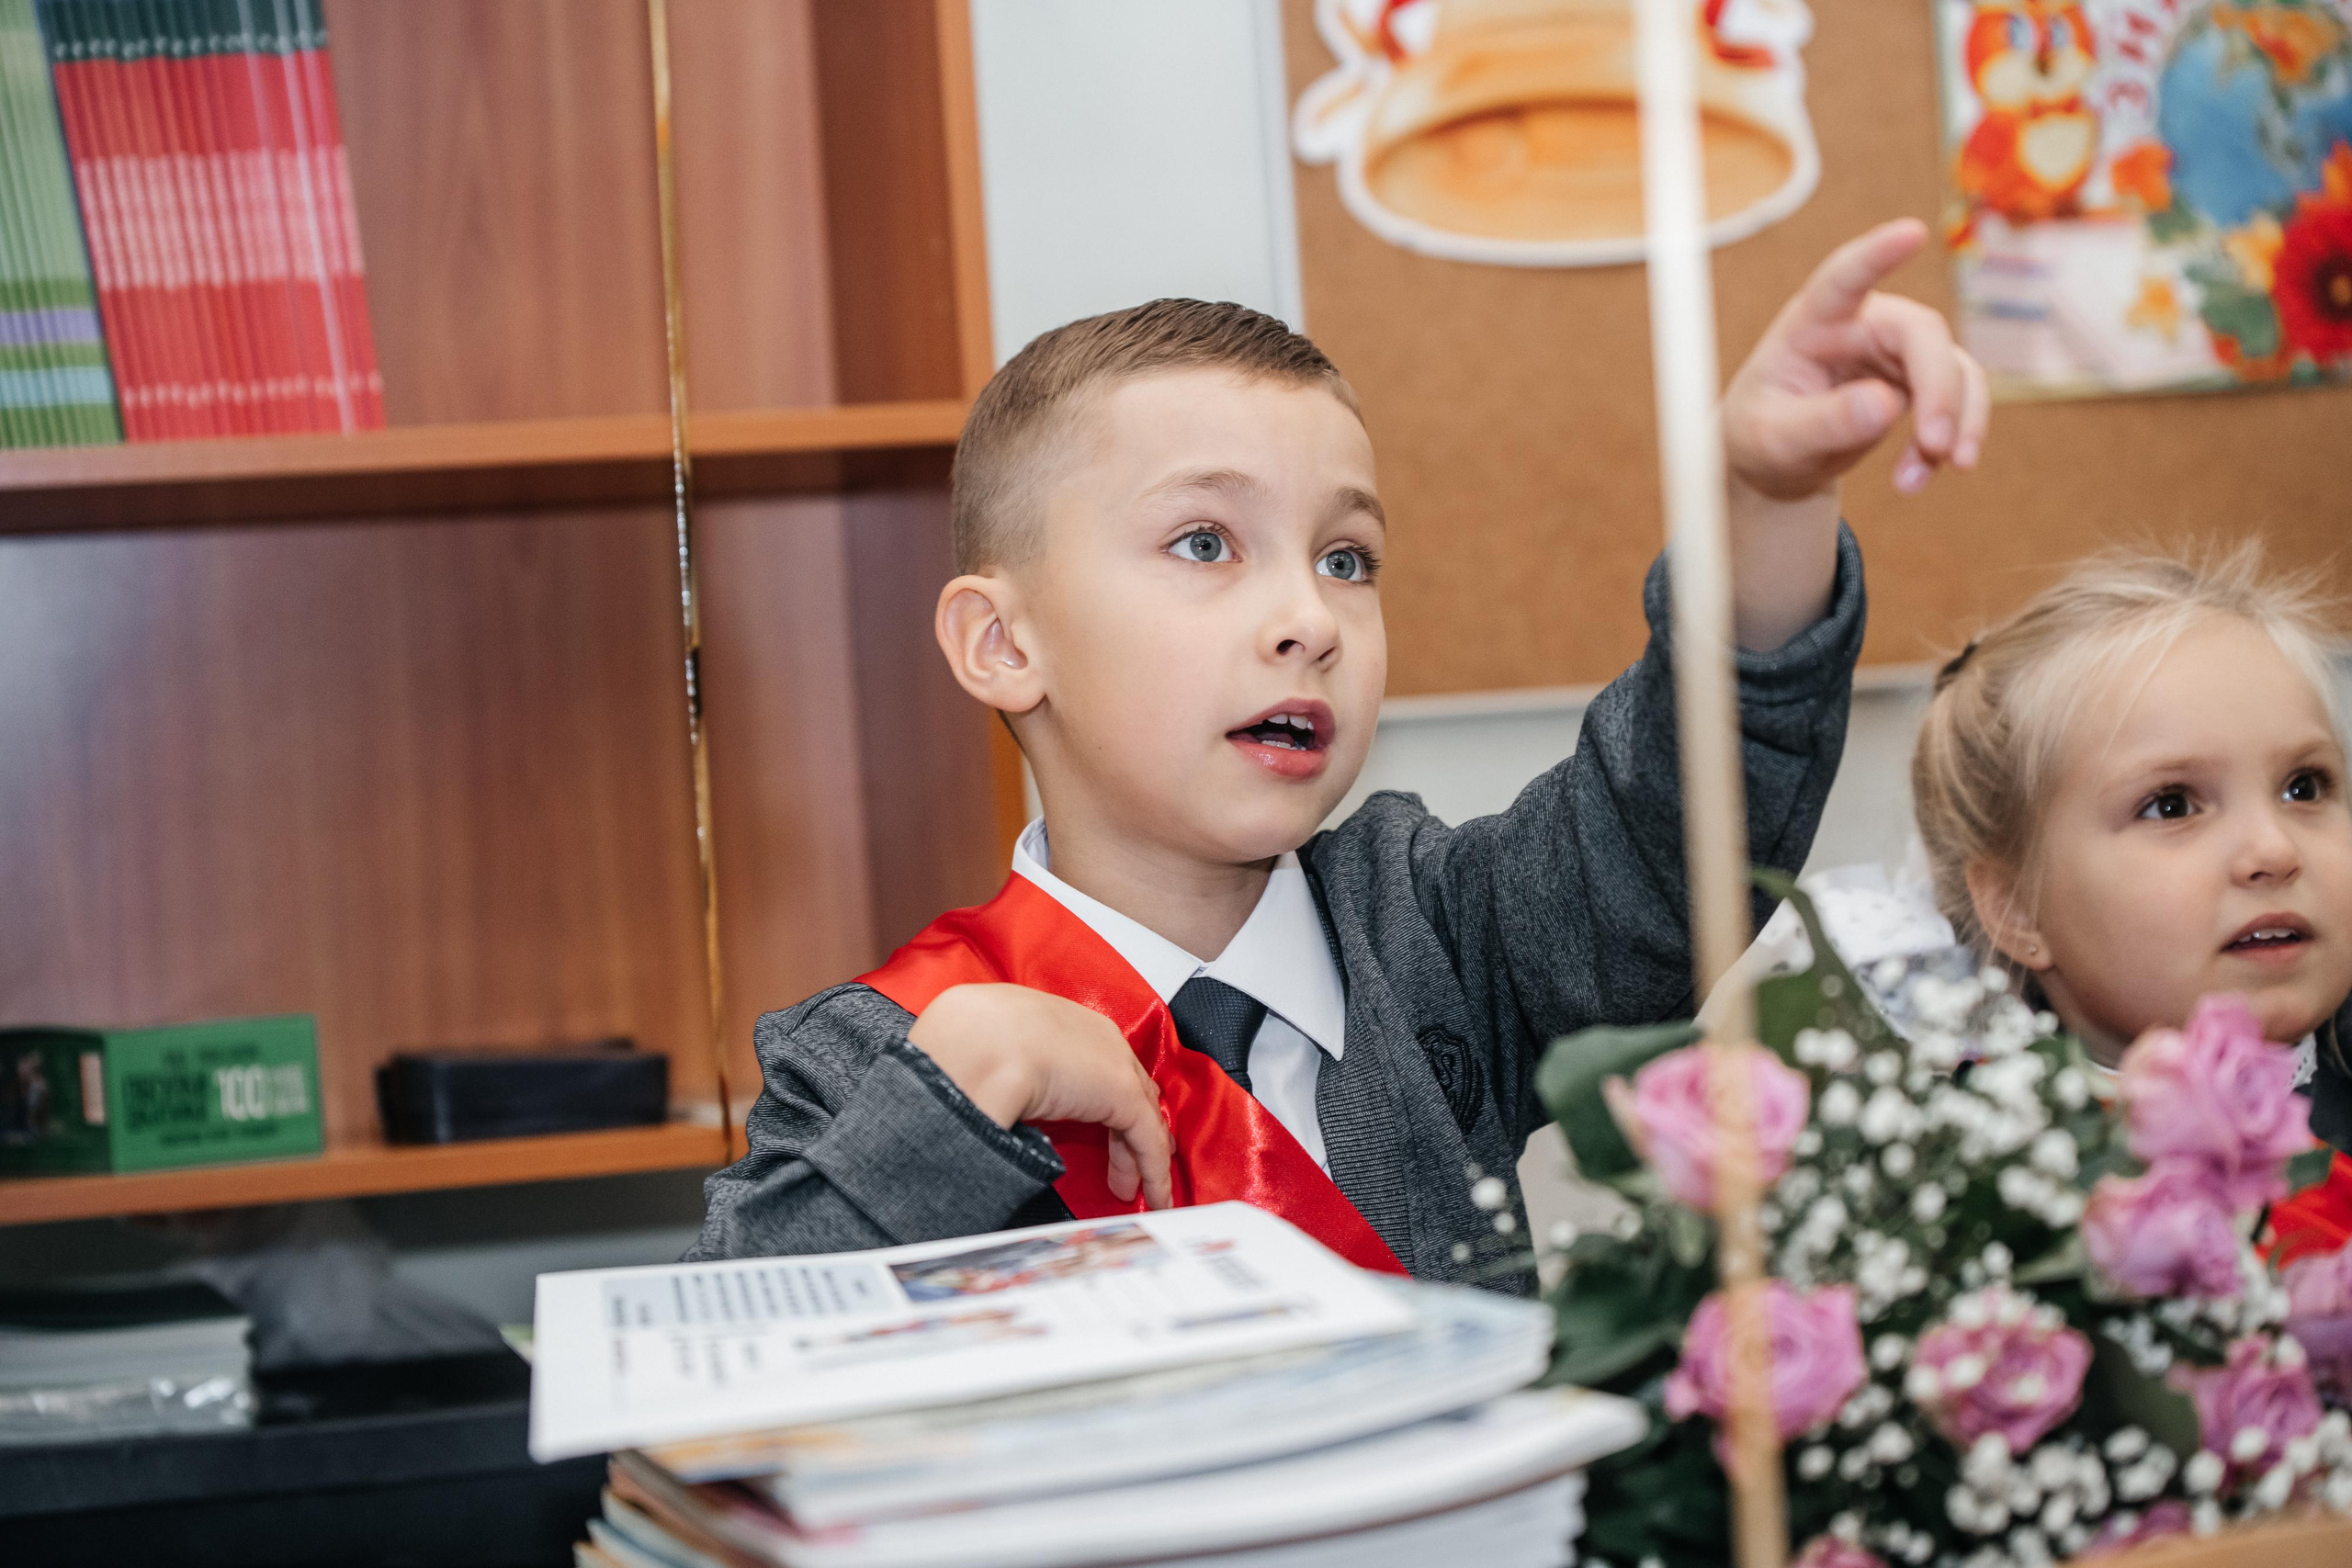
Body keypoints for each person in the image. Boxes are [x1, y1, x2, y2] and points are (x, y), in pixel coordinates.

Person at [687, 220, 1989, 1282]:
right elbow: (738, 1356)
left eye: (1348, 557)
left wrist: (1764, 499)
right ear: (1001, 644)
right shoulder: (878, 1049)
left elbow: (1675, 825)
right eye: (1206, 542)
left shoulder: (1434, 932)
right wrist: (954, 1093)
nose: (1310, 617)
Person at [1908, 546, 2352, 1250]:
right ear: (2017, 907)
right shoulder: (1952, 1184)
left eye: (2305, 787)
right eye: (2172, 805)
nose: (2273, 850)